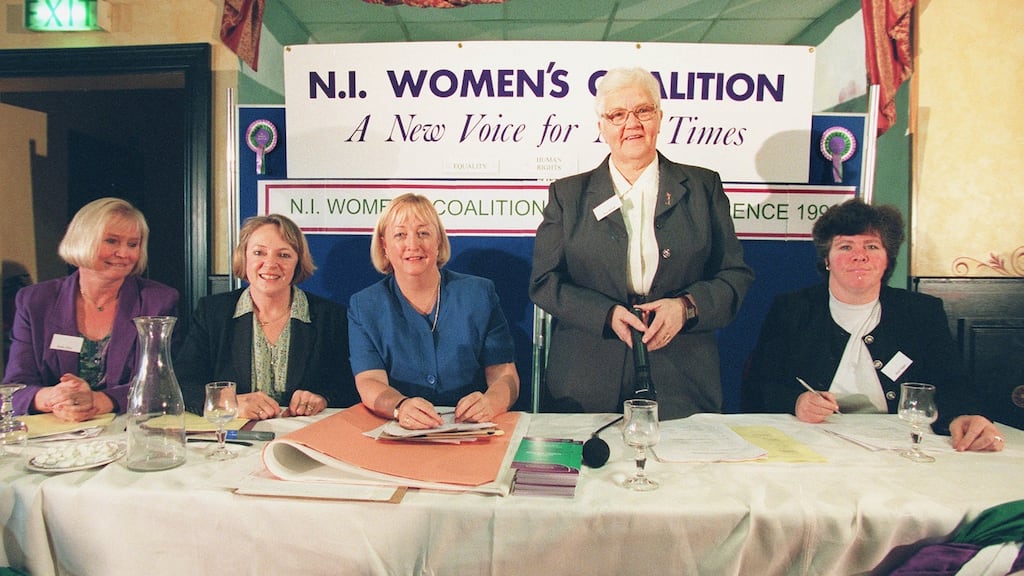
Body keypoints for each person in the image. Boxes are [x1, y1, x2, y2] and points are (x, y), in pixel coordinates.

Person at [529, 67, 754, 420]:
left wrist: (686, 307)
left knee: (685, 471)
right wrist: (604, 314)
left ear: (660, 118)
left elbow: (734, 276)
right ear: (601, 126)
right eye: (617, 115)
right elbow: (544, 282)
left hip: (683, 373)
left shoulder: (702, 187)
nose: (631, 123)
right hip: (587, 373)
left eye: (643, 111)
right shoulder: (568, 194)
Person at [745, 198, 1004, 452]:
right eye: (846, 247)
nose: (859, 257)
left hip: (899, 447)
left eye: (871, 247)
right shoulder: (792, 308)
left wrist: (963, 416)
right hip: (812, 443)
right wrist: (797, 402)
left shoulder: (921, 312)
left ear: (887, 259)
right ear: (827, 259)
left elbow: (952, 382)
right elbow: (760, 384)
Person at [348, 193, 519, 429]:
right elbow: (369, 380)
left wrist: (490, 403)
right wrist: (400, 406)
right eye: (400, 234)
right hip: (399, 430)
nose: (413, 245)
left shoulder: (479, 293)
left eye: (423, 233)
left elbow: (505, 374)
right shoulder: (364, 305)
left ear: (438, 241)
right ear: (384, 245)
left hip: (469, 429)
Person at [4, 197, 179, 421]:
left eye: (132, 244)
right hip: (54, 430)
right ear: (82, 240)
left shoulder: (159, 301)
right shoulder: (35, 301)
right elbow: (15, 388)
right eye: (112, 241)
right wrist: (54, 397)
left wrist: (97, 402)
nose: (124, 253)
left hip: (126, 426)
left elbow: (159, 382)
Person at [175, 214, 358, 419]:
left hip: (303, 439)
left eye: (284, 255)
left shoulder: (330, 316)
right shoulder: (213, 312)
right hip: (235, 440)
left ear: (298, 262)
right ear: (244, 257)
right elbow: (184, 383)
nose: (270, 264)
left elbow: (349, 386)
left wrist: (324, 398)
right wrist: (229, 403)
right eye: (259, 252)